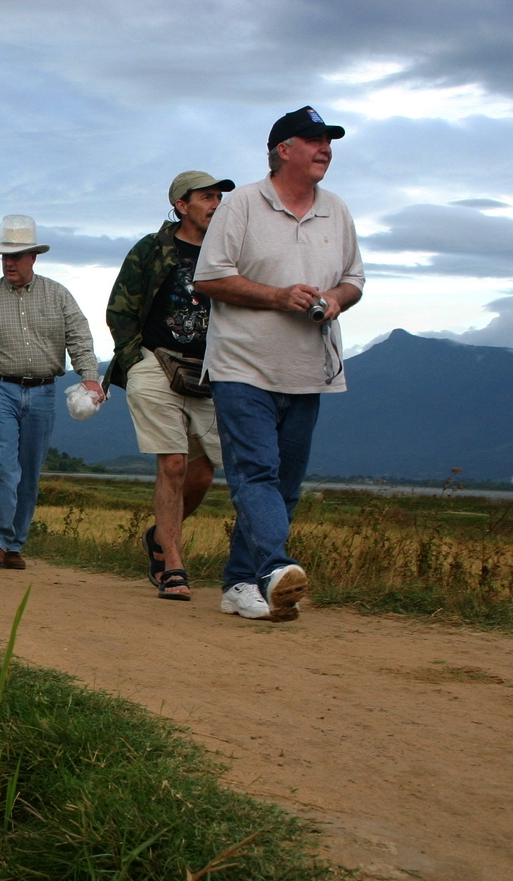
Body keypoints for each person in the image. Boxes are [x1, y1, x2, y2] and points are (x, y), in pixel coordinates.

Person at [194, 106, 364, 621]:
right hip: (242, 366)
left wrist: (334, 299)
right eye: (313, 140)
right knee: (257, 473)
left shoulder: (336, 209)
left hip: (308, 369)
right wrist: (277, 297)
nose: (325, 148)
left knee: (284, 485)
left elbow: (354, 280)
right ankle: (274, 568)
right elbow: (208, 279)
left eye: (329, 141)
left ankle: (241, 583)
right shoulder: (242, 204)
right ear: (282, 149)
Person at [103, 170, 236, 600]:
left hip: (209, 370)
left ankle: (159, 537)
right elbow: (119, 309)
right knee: (174, 463)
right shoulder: (151, 249)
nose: (216, 204)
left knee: (201, 473)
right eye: (207, 197)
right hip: (156, 364)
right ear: (181, 205)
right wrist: (133, 358)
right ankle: (173, 566)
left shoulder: (230, 250)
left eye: (219, 197)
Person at [0, 215, 101, 570]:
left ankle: (14, 544)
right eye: (5, 256)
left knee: (29, 470)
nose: (9, 262)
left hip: (42, 393)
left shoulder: (58, 295)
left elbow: (80, 339)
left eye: (17, 256)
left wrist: (90, 377)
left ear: (33, 257)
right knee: (2, 466)